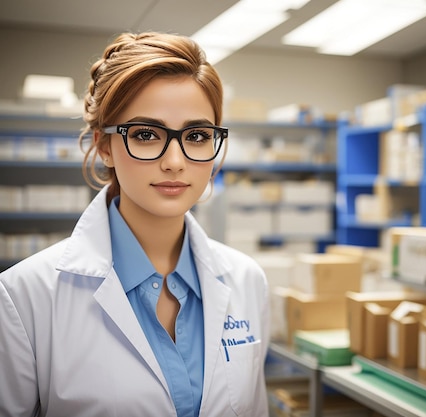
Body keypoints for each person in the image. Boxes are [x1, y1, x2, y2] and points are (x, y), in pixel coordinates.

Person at [0, 32, 270, 417]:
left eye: (196, 136)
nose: (175, 161)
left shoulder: (247, 281)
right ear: (104, 145)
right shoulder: (25, 296)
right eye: (146, 134)